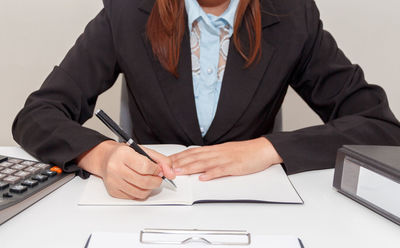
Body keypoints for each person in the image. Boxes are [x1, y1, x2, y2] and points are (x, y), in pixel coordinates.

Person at [12, 0, 400, 200]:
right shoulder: (128, 10)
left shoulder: (291, 12)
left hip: (257, 221)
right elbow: (36, 115)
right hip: (150, 212)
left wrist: (268, 148)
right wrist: (101, 156)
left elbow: (380, 127)